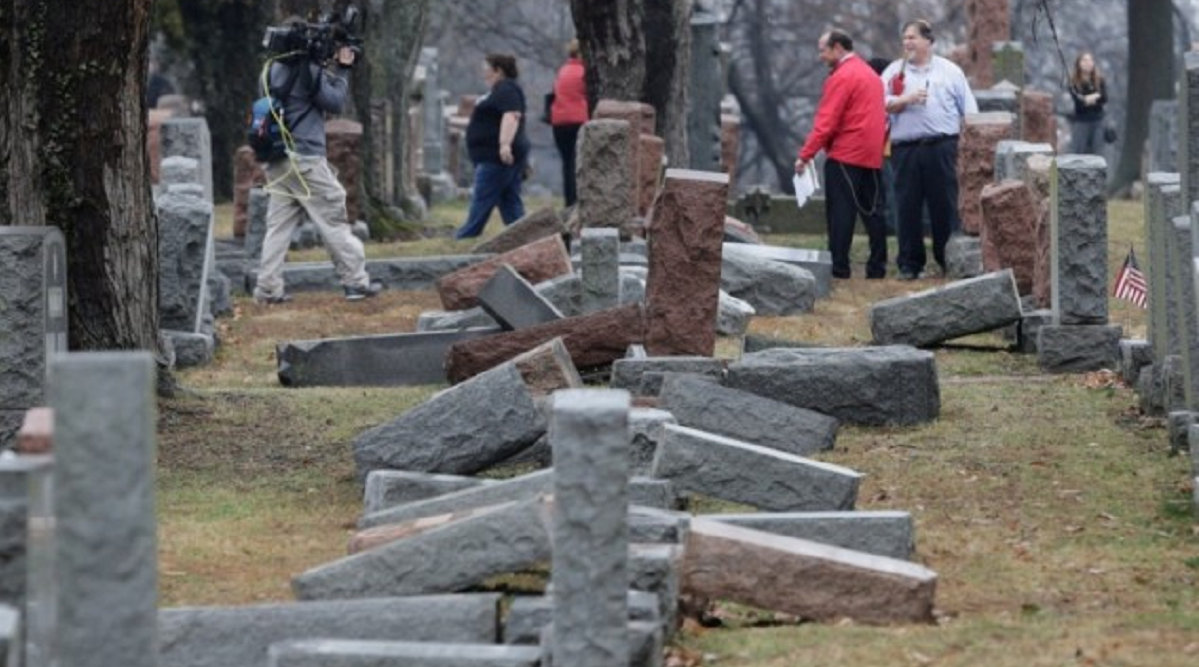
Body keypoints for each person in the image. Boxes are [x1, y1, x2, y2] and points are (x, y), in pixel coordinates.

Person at [253, 44, 383, 304]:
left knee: (278, 227)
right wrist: (343, 70)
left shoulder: (269, 69)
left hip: (277, 159)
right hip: (306, 159)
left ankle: (268, 289)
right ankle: (356, 282)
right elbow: (334, 102)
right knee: (333, 219)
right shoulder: (308, 69)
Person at [880, 19, 978, 281]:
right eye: (904, 38)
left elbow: (969, 111)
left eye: (912, 37)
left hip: (941, 147)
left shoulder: (950, 72)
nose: (907, 43)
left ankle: (947, 259)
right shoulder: (892, 72)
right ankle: (909, 264)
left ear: (929, 41)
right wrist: (904, 100)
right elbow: (877, 103)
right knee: (906, 206)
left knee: (943, 206)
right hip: (906, 149)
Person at [795, 30, 888, 280]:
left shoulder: (842, 76)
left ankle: (839, 268)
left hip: (846, 154)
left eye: (823, 50)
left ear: (838, 48)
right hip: (871, 154)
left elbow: (826, 122)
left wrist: (805, 155)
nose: (820, 55)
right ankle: (877, 267)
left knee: (841, 214)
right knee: (873, 212)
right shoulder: (870, 74)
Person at [456, 53, 530, 239]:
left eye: (487, 70)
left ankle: (467, 235)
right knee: (510, 202)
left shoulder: (506, 89)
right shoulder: (500, 90)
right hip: (496, 157)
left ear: (498, 71)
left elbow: (512, 116)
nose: (484, 74)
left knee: (482, 198)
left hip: (496, 158)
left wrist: (504, 145)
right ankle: (523, 236)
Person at [551, 40, 588, 208]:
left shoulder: (563, 71)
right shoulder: (584, 72)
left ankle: (569, 201)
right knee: (579, 162)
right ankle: (577, 201)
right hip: (578, 120)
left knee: (567, 163)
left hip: (559, 122)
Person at [1068, 52, 1107, 155]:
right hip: (1081, 121)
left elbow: (1104, 98)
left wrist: (1086, 99)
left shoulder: (1100, 80)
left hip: (1098, 121)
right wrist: (1094, 97)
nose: (1088, 63)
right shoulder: (1073, 82)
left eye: (1090, 60)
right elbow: (1079, 102)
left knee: (1098, 153)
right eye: (1084, 60)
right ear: (1079, 64)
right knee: (1079, 152)